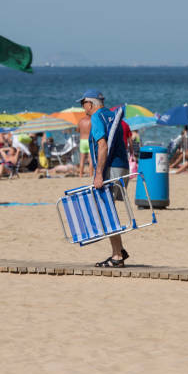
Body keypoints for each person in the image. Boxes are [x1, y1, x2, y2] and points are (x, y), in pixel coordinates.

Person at [79, 89, 131, 268]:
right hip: (122, 166)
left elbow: (102, 146)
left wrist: (99, 174)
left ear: (90, 104)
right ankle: (119, 251)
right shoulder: (111, 115)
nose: (82, 107)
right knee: (108, 210)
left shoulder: (96, 118)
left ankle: (117, 256)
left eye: (83, 103)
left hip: (112, 168)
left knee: (106, 210)